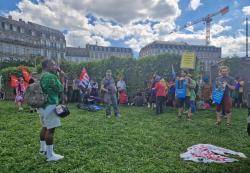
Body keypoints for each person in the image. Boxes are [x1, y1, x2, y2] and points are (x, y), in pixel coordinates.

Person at [38, 59, 64, 162]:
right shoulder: (51, 76)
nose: (55, 66)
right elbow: (60, 88)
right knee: (51, 130)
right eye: (53, 65)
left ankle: (42, 149)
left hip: (42, 106)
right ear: (48, 66)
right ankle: (50, 155)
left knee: (45, 127)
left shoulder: (42, 76)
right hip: (50, 105)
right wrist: (61, 76)